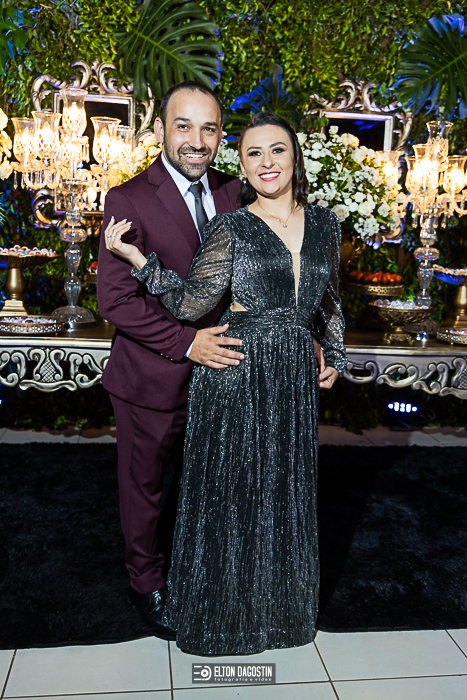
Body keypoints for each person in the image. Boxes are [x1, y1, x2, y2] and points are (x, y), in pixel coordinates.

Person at [104, 111, 346, 655]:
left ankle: (278, 609)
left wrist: (333, 351)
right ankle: (221, 610)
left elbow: (329, 299)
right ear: (242, 165)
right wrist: (138, 258)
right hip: (235, 370)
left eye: (277, 150)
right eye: (254, 153)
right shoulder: (231, 225)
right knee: (231, 495)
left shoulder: (326, 224)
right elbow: (193, 302)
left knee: (284, 488)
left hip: (293, 377)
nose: (267, 162)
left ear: (296, 156)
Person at [97, 81, 245, 641]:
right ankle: (145, 582)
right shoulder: (128, 199)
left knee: (206, 481)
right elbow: (116, 301)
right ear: (160, 129)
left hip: (223, 374)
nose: (196, 140)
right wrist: (187, 343)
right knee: (146, 486)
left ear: (221, 135)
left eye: (209, 128)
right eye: (183, 126)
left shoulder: (235, 193)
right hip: (152, 375)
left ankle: (198, 567)